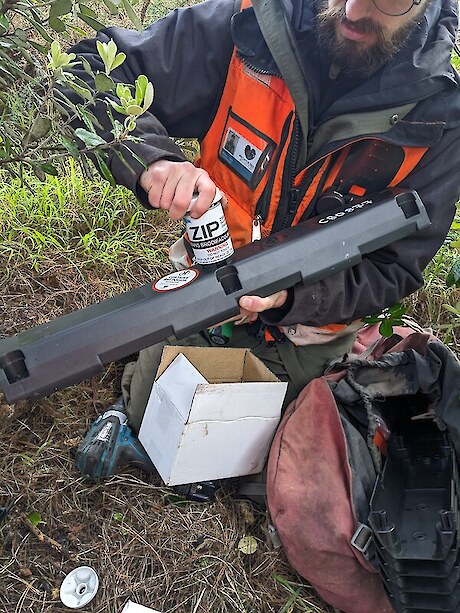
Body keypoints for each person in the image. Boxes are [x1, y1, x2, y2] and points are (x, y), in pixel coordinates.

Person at [63, 0, 460, 483]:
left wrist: (289, 295)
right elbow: (90, 73)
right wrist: (150, 159)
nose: (353, 9)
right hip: (204, 288)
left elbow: (392, 269)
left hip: (310, 325)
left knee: (267, 458)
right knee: (155, 406)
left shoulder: (441, 117)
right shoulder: (252, 25)